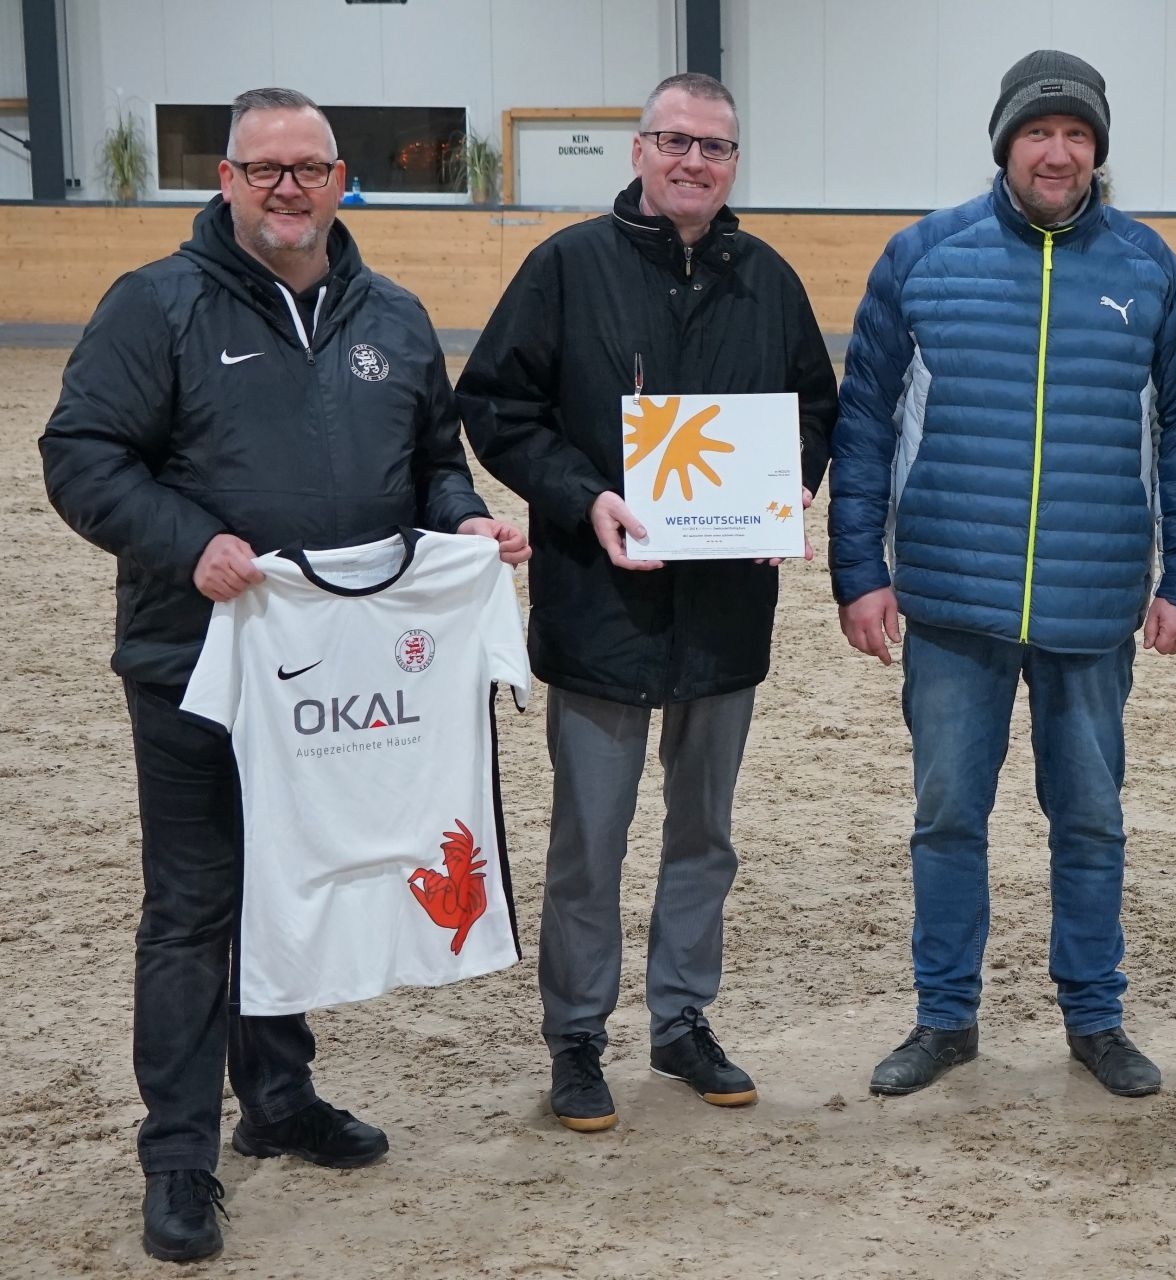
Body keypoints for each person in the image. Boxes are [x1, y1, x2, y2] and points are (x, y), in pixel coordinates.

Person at [39, 87, 527, 1263]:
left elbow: (434, 461)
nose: (288, 188)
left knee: (294, 881)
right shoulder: (155, 304)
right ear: (227, 181)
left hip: (344, 677)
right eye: (264, 169)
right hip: (197, 658)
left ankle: (277, 1096)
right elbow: (80, 453)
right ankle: (177, 1154)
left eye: (309, 167)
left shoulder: (393, 315)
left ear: (341, 178)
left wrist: (461, 522)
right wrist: (186, 541)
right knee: (195, 904)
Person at [830, 50, 1176, 1099]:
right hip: (950, 598)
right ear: (1005, 143)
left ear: (1098, 150)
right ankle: (944, 1016)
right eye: (1039, 132)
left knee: (1090, 820)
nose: (1058, 152)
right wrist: (860, 569)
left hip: (1093, 602)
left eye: (1077, 135)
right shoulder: (923, 256)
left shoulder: (1148, 268)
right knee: (947, 819)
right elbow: (864, 423)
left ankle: (1095, 1017)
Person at [456, 72, 837, 1132]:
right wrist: (584, 498)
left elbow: (816, 406)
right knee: (591, 839)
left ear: (734, 164)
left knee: (704, 834)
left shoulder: (769, 281)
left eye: (714, 147)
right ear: (638, 150)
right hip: (601, 608)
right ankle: (577, 1036)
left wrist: (786, 491)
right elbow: (497, 404)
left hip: (725, 615)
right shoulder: (566, 267)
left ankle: (682, 1019)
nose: (693, 162)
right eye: (675, 140)